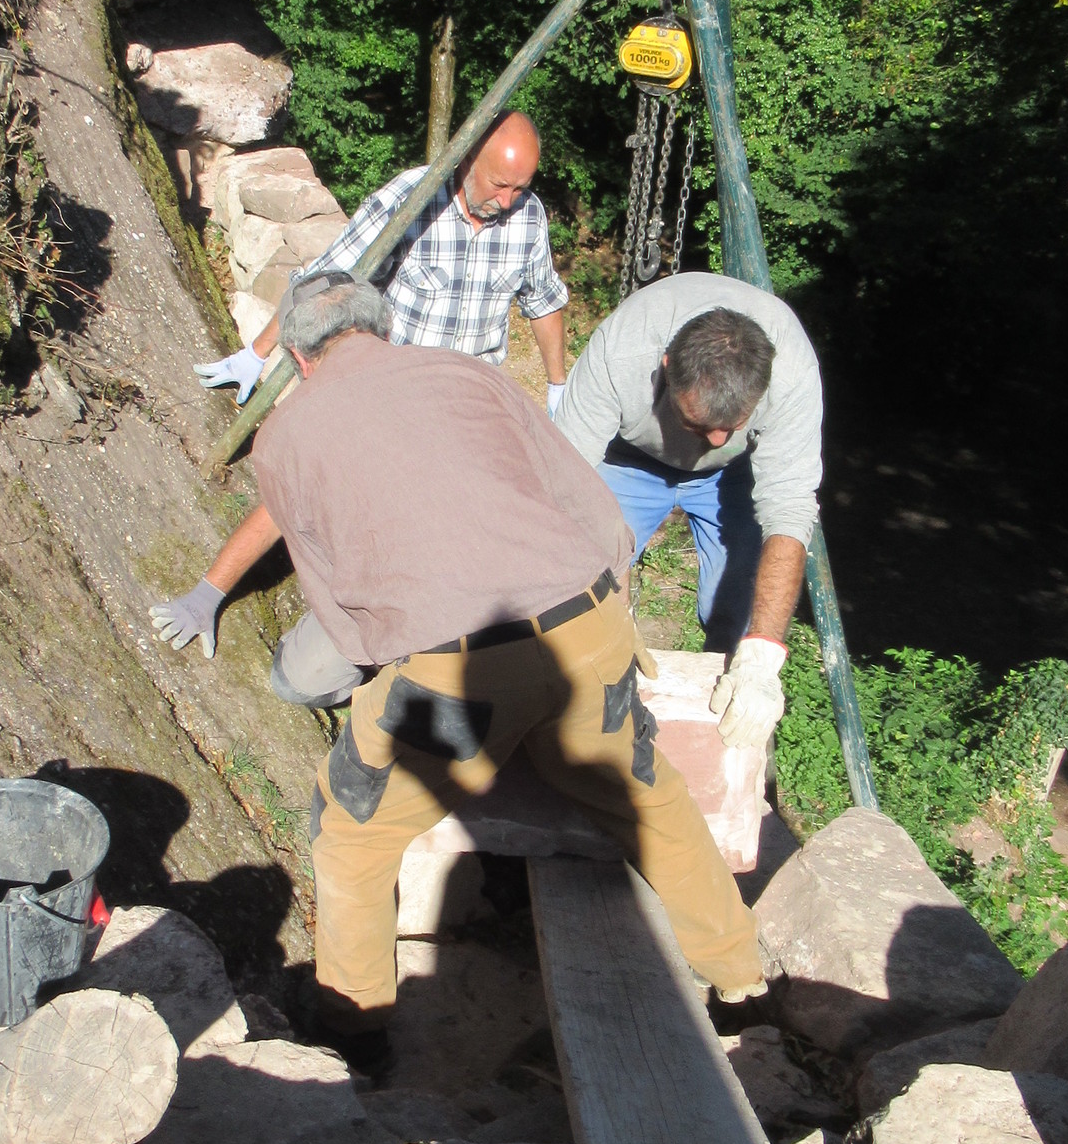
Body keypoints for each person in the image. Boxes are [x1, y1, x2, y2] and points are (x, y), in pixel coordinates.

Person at [248, 268, 767, 1067]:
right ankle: (741, 981)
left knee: (352, 832)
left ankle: (354, 1034)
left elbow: (340, 608)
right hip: (589, 629)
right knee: (648, 799)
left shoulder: (283, 437)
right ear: (382, 329)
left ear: (298, 356)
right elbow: (593, 511)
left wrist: (386, 679)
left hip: (457, 675)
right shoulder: (466, 373)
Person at [154, 113, 570, 701]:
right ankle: (358, 629)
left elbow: (544, 299)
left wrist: (557, 384)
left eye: (520, 188)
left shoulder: (527, 217)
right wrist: (259, 351)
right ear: (468, 158)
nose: (507, 200)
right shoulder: (412, 200)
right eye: (500, 185)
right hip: (391, 395)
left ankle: (449, 643)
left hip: (467, 402)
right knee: (349, 499)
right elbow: (327, 279)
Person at [552, 274, 822, 752]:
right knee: (588, 597)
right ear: (666, 369)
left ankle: (730, 744)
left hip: (734, 474)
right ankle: (594, 717)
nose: (713, 440)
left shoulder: (790, 371)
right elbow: (564, 483)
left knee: (738, 610)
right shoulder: (623, 351)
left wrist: (762, 656)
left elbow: (790, 509)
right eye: (699, 424)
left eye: (731, 425)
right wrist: (611, 608)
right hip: (628, 460)